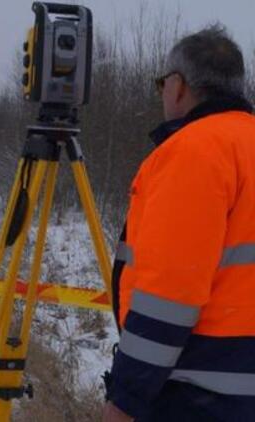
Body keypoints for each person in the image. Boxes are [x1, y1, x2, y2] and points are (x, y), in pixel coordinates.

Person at [103, 25, 255, 421]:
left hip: (199, 396)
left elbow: (169, 297)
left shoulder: (194, 152)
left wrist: (125, 400)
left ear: (178, 86)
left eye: (161, 84)